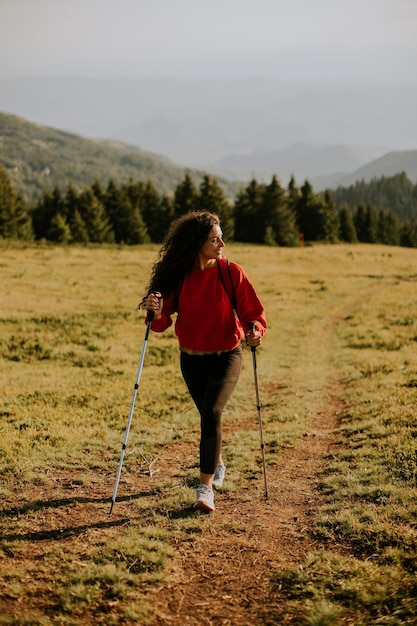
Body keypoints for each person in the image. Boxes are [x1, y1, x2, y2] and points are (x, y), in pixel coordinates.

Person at [141, 211, 267, 512]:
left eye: (221, 237)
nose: (222, 242)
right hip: (191, 359)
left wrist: (254, 331)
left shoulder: (231, 272)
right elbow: (160, 322)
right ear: (198, 243)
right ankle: (217, 462)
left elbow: (254, 314)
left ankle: (204, 489)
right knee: (208, 417)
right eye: (214, 239)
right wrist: (155, 310)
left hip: (227, 355)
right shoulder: (180, 276)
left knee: (211, 411)